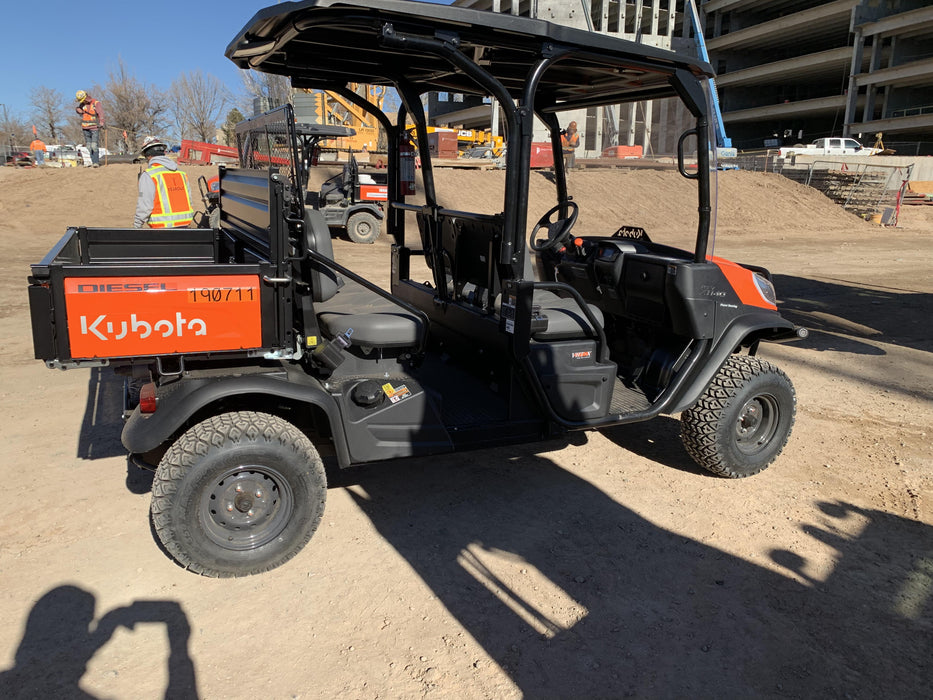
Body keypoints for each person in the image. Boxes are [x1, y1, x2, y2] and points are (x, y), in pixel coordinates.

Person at [134, 136, 195, 229]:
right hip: (184, 227)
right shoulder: (181, 174)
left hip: (162, 230)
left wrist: (137, 225)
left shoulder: (149, 175)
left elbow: (145, 205)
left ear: (148, 155)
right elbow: (189, 200)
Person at [74, 90, 105, 167]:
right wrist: (78, 110)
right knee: (88, 146)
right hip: (85, 127)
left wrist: (101, 122)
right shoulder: (82, 105)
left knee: (94, 146)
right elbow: (79, 111)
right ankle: (92, 161)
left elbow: (101, 113)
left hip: (94, 127)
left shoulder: (96, 103)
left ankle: (96, 162)